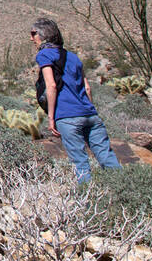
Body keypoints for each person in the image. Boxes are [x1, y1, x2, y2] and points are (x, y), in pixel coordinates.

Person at [30, 17, 121, 182]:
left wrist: (51, 118)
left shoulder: (44, 55)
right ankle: (124, 193)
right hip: (90, 115)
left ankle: (87, 202)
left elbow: (51, 86)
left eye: (33, 33)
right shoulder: (73, 57)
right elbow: (87, 88)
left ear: (43, 35)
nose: (31, 38)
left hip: (67, 116)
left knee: (80, 163)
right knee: (107, 157)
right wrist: (89, 109)